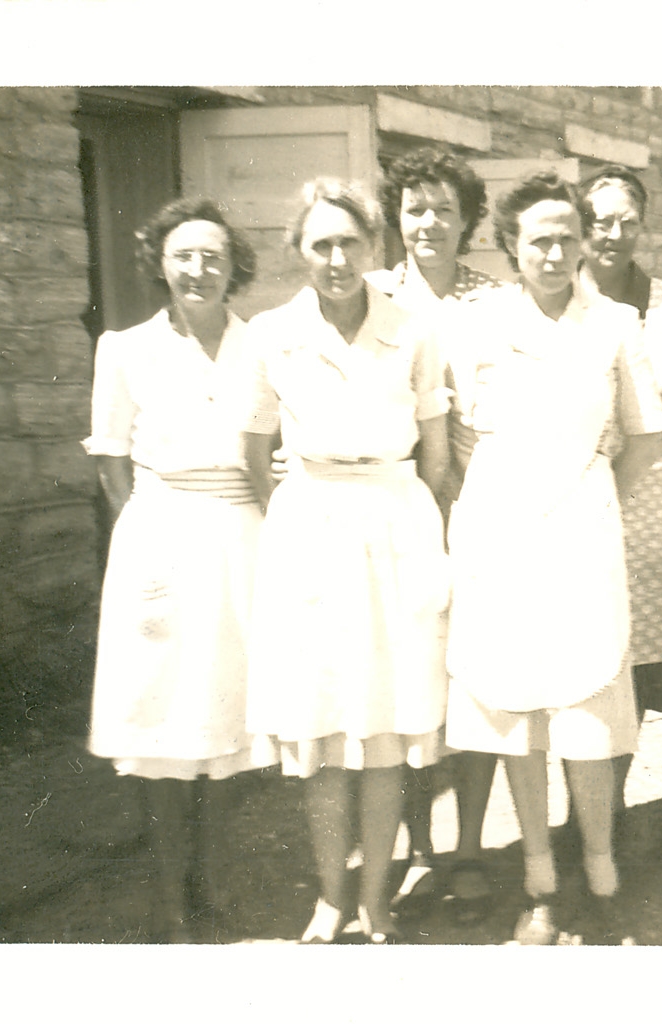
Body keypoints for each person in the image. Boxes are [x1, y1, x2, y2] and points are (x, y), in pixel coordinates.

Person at [441, 171, 662, 944]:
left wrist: (591, 495)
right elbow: (461, 432)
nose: (555, 252)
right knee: (518, 711)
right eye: (538, 239)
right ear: (511, 245)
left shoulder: (616, 324)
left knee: (587, 707)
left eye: (568, 237)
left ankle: (601, 874)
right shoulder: (476, 324)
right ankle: (539, 881)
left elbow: (646, 437)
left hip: (583, 535)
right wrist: (498, 503)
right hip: (500, 536)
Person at [241, 179, 451, 945]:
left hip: (395, 522)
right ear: (299, 251)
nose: (336, 259)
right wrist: (304, 517)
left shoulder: (414, 330)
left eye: (349, 243)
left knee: (386, 725)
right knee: (324, 724)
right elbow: (254, 451)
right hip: (312, 529)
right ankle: (331, 896)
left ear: (372, 248)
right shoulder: (271, 334)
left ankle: (375, 897)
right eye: (321, 244)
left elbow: (436, 455)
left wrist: (409, 526)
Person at [83, 197, 275, 942]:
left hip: (242, 538)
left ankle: (213, 884)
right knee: (160, 720)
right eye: (183, 256)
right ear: (161, 265)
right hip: (159, 535)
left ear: (234, 267)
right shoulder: (124, 349)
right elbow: (111, 462)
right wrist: (149, 539)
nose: (198, 269)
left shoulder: (264, 346)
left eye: (213, 257)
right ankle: (170, 900)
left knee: (227, 718)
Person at [363, 148, 505, 915]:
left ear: (468, 219)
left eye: (445, 209)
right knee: (411, 680)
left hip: (480, 508)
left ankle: (471, 847)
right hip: (399, 513)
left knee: (476, 679)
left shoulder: (497, 301)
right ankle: (418, 846)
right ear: (397, 216)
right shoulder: (371, 296)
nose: (429, 223)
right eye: (415, 208)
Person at [576, 166, 662, 842]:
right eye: (599, 220)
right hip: (571, 498)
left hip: (651, 506)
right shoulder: (556, 297)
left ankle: (609, 809)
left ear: (642, 226)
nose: (612, 233)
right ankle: (582, 814)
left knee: (632, 670)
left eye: (625, 221)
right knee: (575, 662)